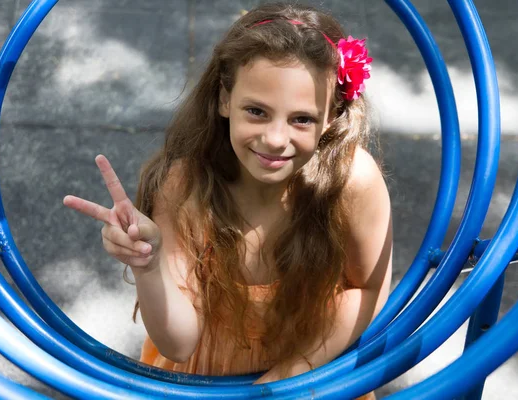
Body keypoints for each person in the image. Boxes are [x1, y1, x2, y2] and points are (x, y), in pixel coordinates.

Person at [63, 3, 392, 399]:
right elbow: (179, 344)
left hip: (313, 368)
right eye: (256, 111)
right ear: (224, 99)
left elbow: (369, 292)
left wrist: (290, 377)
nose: (274, 138)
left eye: (301, 119)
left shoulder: (351, 182)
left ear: (332, 114)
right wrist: (150, 267)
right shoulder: (187, 185)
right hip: (207, 379)